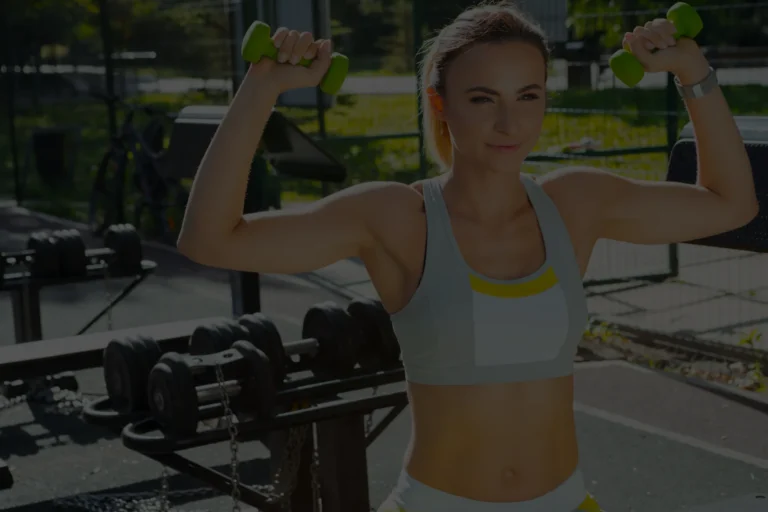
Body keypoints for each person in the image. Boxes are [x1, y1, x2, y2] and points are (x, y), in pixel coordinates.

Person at [177, 1, 758, 510]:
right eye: (483, 98)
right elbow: (210, 238)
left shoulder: (576, 204)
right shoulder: (395, 217)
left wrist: (693, 72)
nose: (510, 123)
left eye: (528, 96)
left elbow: (731, 204)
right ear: (441, 102)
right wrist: (262, 87)